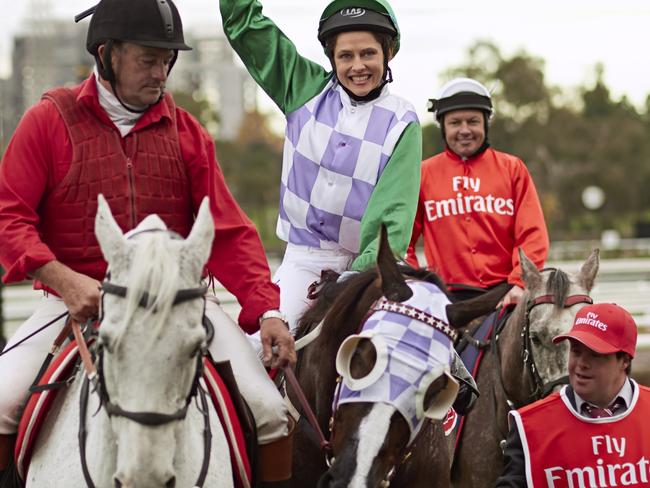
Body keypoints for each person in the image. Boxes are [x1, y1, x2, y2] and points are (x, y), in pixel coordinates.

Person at [0, 1, 295, 485]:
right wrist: (63, 279)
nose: (161, 73)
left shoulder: (188, 133)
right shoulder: (48, 121)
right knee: (1, 400)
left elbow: (228, 231)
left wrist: (267, 310)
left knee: (269, 411)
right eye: (148, 59)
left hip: (177, 301)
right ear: (106, 54)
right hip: (74, 300)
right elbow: (9, 218)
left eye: (167, 61)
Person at [219, 0, 422, 335]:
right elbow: (244, 25)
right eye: (346, 56)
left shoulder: (403, 122)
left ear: (388, 53)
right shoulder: (303, 87)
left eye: (368, 54)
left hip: (372, 270)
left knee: (419, 347)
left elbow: (391, 219)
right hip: (305, 262)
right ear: (332, 59)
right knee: (260, 349)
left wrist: (355, 280)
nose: (358, 66)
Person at [406, 77, 549, 306]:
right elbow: (402, 240)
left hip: (507, 294)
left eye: (473, 121)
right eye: (455, 123)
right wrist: (415, 283)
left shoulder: (513, 169)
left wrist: (520, 283)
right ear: (443, 126)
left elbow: (532, 235)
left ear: (485, 123)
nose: (464, 130)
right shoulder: (422, 174)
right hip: (445, 298)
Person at [496, 303, 650, 487]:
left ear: (624, 360)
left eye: (594, 354)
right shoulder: (529, 427)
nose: (581, 363)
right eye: (576, 351)